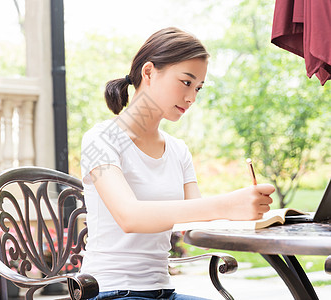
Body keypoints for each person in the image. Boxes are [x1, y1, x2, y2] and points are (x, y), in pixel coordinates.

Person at [80, 27, 275, 300]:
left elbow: (195, 217)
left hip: (163, 291)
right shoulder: (101, 139)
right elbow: (130, 216)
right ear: (148, 72)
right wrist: (228, 204)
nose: (192, 98)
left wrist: (250, 213)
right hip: (112, 291)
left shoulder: (177, 150)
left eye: (198, 88)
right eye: (186, 82)